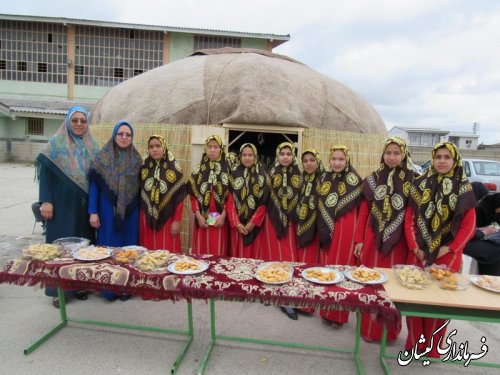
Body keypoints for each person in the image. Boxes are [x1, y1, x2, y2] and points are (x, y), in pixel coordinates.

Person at [405, 141, 476, 358]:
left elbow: (469, 225)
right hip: (419, 252)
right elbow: (410, 219)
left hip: (448, 255)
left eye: (447, 157)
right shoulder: (420, 184)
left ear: (455, 161)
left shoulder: (463, 188)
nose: (442, 161)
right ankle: (414, 344)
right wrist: (415, 247)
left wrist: (451, 247)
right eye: (438, 157)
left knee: (439, 301)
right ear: (432, 159)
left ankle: (434, 348)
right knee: (415, 298)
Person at [36, 105, 99, 307]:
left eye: (83, 120)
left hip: (84, 207)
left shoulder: (92, 145)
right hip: (61, 206)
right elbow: (45, 175)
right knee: (61, 247)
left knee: (83, 246)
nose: (79, 124)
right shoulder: (55, 144)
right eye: (75, 120)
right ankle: (59, 291)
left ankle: (79, 285)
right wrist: (46, 200)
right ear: (68, 121)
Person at [354, 136, 414, 342]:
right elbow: (364, 211)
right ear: (383, 154)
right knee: (371, 283)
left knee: (393, 285)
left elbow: (414, 215)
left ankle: (390, 333)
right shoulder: (373, 179)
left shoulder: (413, 180)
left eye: (396, 153)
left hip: (399, 241)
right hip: (372, 236)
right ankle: (369, 330)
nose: (392, 157)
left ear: (404, 154)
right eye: (388, 153)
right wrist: (359, 239)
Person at [88, 120, 142, 301]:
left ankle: (125, 288)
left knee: (128, 250)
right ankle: (108, 289)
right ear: (114, 135)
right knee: (109, 247)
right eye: (121, 134)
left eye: (128, 134)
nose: (124, 137)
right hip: (107, 212)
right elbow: (94, 186)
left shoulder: (136, 159)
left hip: (131, 213)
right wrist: (93, 212)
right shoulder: (102, 157)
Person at [316, 145, 363, 326]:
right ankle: (325, 311)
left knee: (342, 270)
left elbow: (359, 211)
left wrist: (358, 238)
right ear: (329, 159)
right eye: (334, 159)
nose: (337, 163)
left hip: (346, 229)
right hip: (327, 230)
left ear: (347, 160)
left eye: (341, 159)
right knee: (327, 269)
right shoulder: (323, 178)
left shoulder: (355, 180)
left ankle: (339, 317)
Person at [261, 142, 303, 320]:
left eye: (288, 153)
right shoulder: (271, 174)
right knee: (273, 258)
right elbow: (264, 198)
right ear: (277, 156)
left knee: (289, 258)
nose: (285, 156)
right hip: (272, 223)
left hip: (291, 224)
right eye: (282, 153)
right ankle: (273, 295)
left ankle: (287, 298)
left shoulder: (299, 176)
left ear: (293, 156)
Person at [139, 135, 186, 252]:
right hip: (147, 219)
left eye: (158, 146)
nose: (154, 149)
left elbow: (180, 198)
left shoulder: (174, 169)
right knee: (148, 254)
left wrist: (177, 220)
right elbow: (141, 196)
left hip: (168, 218)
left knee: (167, 252)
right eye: (151, 147)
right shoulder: (144, 169)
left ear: (164, 147)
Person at [187, 135, 230, 256]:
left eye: (216, 147)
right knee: (201, 253)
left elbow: (231, 196)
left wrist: (223, 216)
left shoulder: (228, 170)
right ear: (205, 149)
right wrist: (198, 215)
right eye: (209, 146)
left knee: (218, 253)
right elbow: (193, 195)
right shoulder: (198, 170)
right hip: (202, 219)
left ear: (221, 149)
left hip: (220, 219)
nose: (212, 150)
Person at [227, 143, 269, 258]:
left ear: (255, 157)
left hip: (255, 227)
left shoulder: (262, 175)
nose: (247, 158)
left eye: (250, 155)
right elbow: (230, 201)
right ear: (240, 156)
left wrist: (252, 223)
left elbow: (264, 203)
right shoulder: (233, 174)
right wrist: (237, 223)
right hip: (237, 227)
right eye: (244, 155)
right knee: (237, 257)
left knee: (253, 257)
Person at [463, 181, 500, 275]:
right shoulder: (466, 208)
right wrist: (483, 232)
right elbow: (464, 231)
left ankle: (488, 279)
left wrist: (480, 230)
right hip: (458, 242)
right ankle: (489, 280)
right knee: (495, 252)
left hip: (467, 239)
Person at [296, 148, 325, 264]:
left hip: (318, 227)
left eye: (312, 160)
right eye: (305, 161)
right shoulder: (301, 179)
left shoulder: (324, 179)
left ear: (318, 162)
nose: (308, 164)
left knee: (314, 260)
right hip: (302, 224)